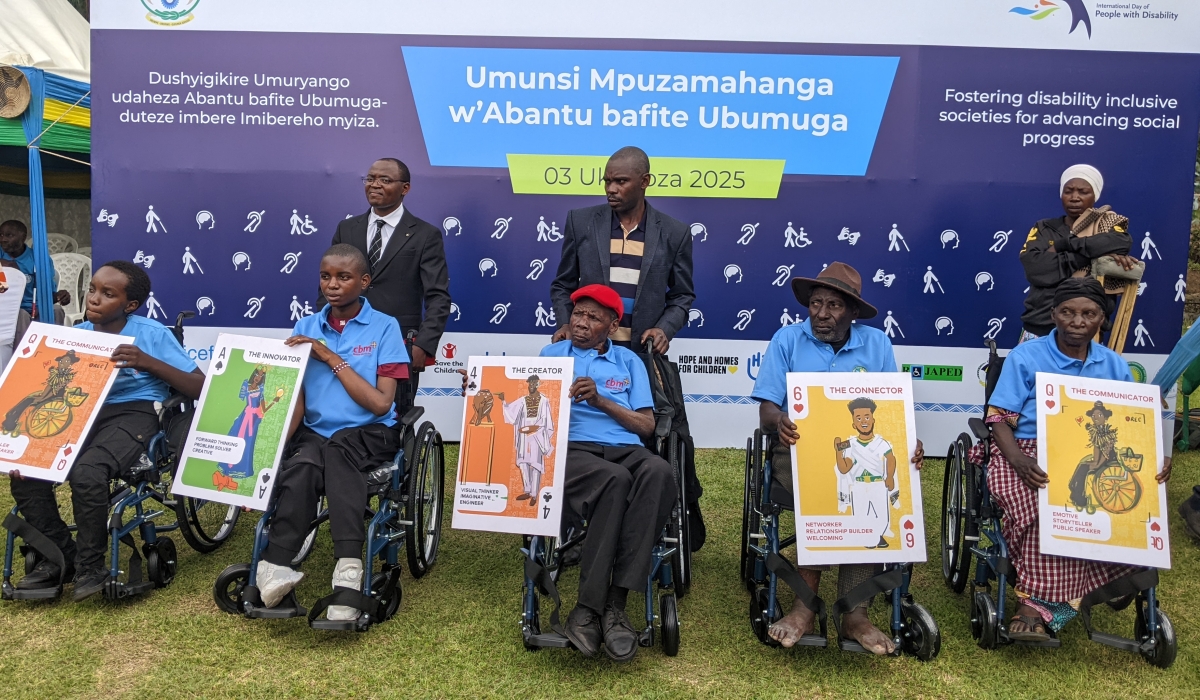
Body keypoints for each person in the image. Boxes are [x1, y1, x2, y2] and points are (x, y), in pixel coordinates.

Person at [977, 277, 1171, 640]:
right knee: (1044, 507)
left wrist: (1157, 457)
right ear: (1053, 315)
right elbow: (998, 417)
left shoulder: (1114, 365)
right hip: (1026, 451)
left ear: (1101, 318)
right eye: (1067, 312)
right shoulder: (1026, 357)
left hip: (1092, 448)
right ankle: (1034, 604)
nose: (1077, 321)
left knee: (1131, 507)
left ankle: (1091, 584)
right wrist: (1018, 459)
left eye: (1088, 313)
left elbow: (1136, 422)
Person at [750, 261, 925, 655]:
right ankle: (804, 606)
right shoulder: (787, 340)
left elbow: (891, 409)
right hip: (797, 451)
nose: (821, 314)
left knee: (874, 490)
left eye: (833, 306)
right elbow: (766, 411)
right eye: (815, 304)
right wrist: (781, 420)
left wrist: (908, 440)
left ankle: (855, 613)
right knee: (825, 487)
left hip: (863, 450)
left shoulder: (876, 344)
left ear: (852, 312)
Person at [8, 261, 204, 599]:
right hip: (82, 411)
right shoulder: (77, 335)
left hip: (135, 412)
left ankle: (90, 566)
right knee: (25, 469)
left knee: (89, 471)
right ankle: (60, 556)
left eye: (107, 294)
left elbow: (199, 386)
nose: (94, 299)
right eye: (93, 290)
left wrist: (146, 361)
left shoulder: (151, 334)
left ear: (130, 305)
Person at [255, 244, 411, 622]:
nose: (333, 284)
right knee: (305, 463)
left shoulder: (385, 327)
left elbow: (379, 404)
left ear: (364, 281)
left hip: (371, 431)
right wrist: (274, 443)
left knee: (339, 448)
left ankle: (348, 567)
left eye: (344, 277)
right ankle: (273, 566)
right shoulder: (305, 327)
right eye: (326, 276)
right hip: (317, 432)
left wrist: (329, 356)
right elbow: (297, 399)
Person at [542, 284, 676, 662]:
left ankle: (612, 604)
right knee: (613, 480)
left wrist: (601, 399)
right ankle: (590, 608)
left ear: (613, 325)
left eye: (593, 317)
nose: (581, 323)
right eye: (577, 313)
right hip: (572, 449)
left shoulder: (631, 362)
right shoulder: (551, 355)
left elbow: (647, 426)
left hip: (625, 447)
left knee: (659, 471)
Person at [330, 158, 450, 408]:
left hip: (399, 345)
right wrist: (326, 332)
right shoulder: (347, 229)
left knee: (394, 420)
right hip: (347, 341)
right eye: (371, 179)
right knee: (342, 410)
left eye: (385, 180)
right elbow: (332, 284)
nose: (375, 185)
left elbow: (438, 296)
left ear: (405, 188)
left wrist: (424, 345)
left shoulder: (425, 235)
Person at [550, 147, 694, 354]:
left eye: (621, 181)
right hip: (587, 353)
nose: (611, 189)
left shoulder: (675, 233)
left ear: (644, 181)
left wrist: (664, 329)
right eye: (607, 181)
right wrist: (565, 323)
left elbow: (682, 296)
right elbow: (563, 285)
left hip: (640, 355)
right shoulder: (580, 222)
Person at [1018, 165, 1137, 342]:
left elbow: (1122, 241)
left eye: (1083, 192)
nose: (1075, 197)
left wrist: (1064, 245)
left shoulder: (1109, 226)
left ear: (1094, 195)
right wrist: (1091, 256)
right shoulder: (1044, 228)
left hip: (1088, 331)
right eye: (1069, 191)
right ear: (1061, 194)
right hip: (1040, 326)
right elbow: (1036, 268)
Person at [212, 365, 283, 491]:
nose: (258, 377)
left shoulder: (261, 390)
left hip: (253, 421)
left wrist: (275, 400)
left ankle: (236, 472)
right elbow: (238, 398)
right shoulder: (246, 384)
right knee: (234, 437)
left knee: (247, 445)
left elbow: (263, 409)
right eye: (257, 374)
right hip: (243, 417)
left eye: (261, 376)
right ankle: (226, 474)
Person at [496, 375, 554, 503]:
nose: (531, 386)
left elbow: (546, 420)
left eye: (534, 384)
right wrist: (503, 401)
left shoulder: (544, 401)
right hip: (523, 435)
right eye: (530, 384)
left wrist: (534, 428)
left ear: (538, 384)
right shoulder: (523, 400)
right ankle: (527, 490)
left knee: (535, 464)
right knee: (523, 462)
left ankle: (534, 494)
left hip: (537, 435)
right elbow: (511, 412)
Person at [0, 220, 69, 320]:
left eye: (9, 235)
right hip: (10, 308)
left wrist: (61, 296)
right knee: (21, 315)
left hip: (36, 306)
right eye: (1, 235)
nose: (3, 239)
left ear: (23, 237)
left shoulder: (39, 258)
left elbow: (48, 293)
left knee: (56, 310)